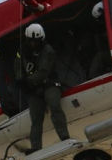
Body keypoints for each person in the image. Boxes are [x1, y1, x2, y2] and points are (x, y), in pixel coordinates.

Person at [13, 23, 70, 152]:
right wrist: (21, 80)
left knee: (54, 105)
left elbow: (44, 71)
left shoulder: (48, 50)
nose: (33, 44)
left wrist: (28, 81)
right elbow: (18, 68)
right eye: (31, 41)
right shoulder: (21, 52)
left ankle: (65, 137)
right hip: (33, 90)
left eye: (36, 41)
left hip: (49, 84)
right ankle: (36, 148)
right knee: (36, 118)